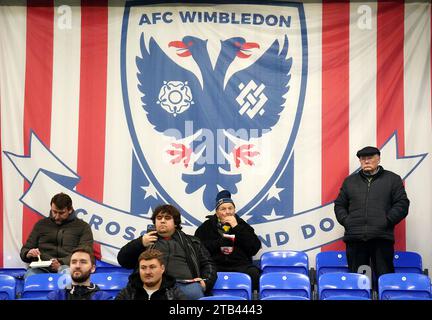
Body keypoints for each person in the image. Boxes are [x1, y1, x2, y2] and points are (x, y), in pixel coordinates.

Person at [334, 146, 410, 285]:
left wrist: (386, 221)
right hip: (356, 240)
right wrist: (347, 221)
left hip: (381, 238)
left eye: (370, 158)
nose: (366, 161)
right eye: (363, 159)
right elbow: (339, 205)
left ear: (378, 159)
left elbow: (402, 204)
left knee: (385, 279)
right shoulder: (349, 182)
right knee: (359, 282)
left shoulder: (392, 179)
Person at [117, 204, 217, 300]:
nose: (162, 221)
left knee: (194, 291)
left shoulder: (193, 242)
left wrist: (205, 282)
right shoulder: (145, 241)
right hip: (153, 284)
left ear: (176, 222)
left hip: (186, 285)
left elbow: (208, 264)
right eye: (159, 218)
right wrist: (140, 243)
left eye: (167, 218)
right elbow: (123, 260)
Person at [195, 190, 261, 290]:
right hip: (215, 266)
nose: (227, 212)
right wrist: (218, 243)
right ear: (217, 213)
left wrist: (236, 227)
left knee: (254, 273)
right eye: (223, 209)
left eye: (230, 208)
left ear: (234, 210)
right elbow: (198, 250)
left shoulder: (243, 226)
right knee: (201, 275)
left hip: (240, 265)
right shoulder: (205, 227)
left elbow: (254, 248)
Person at [20, 192, 94, 279]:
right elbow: (25, 250)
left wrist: (61, 263)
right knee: (31, 278)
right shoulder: (41, 225)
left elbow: (84, 253)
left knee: (68, 277)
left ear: (70, 210)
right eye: (54, 212)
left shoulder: (83, 227)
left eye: (61, 213)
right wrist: (28, 253)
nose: (57, 216)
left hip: (68, 267)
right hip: (40, 268)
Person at [116, 249, 186, 300]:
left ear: (162, 269)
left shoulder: (175, 294)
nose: (147, 272)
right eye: (143, 268)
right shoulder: (127, 293)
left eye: (152, 267)